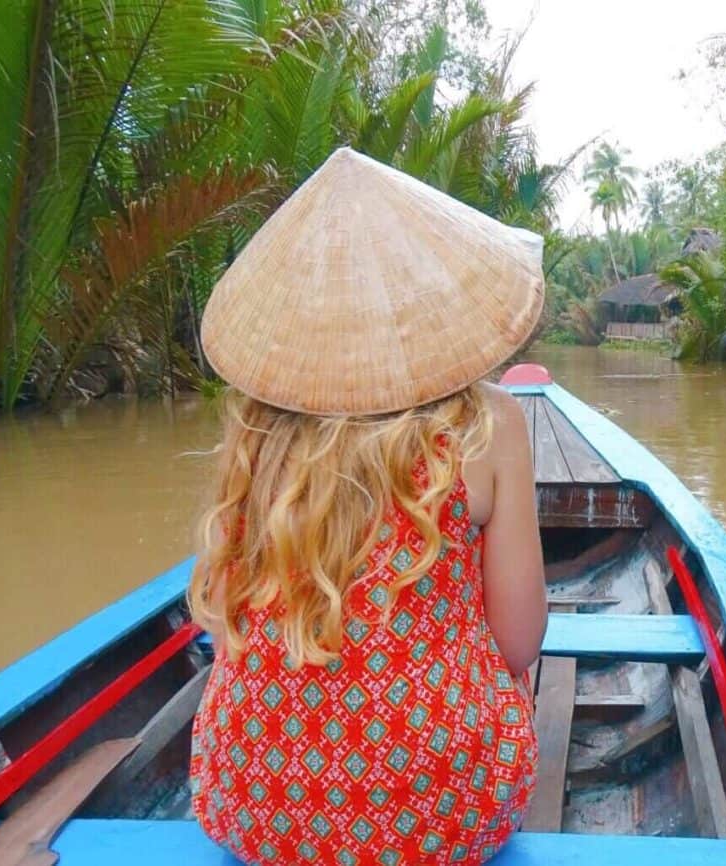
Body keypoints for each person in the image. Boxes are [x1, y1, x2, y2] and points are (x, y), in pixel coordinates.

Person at [188, 147, 547, 866]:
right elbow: (518, 642)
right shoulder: (491, 423)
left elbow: (224, 620)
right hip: (442, 809)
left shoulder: (257, 435)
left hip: (255, 804)